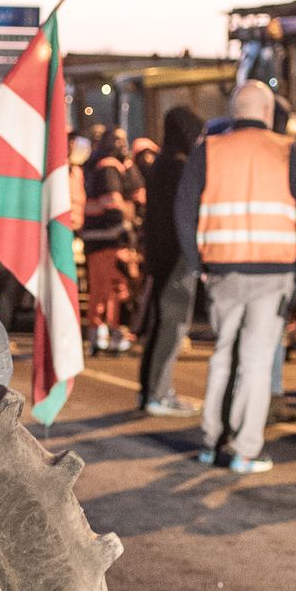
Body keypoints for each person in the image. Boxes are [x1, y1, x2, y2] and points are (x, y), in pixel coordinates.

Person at [172, 80, 296, 473]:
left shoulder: (209, 151)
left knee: (223, 355)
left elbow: (184, 211)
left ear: (234, 111)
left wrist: (197, 263)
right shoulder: (290, 152)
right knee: (256, 362)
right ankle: (245, 449)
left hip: (222, 270)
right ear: (269, 113)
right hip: (274, 273)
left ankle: (210, 440)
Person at [134, 105, 204, 415]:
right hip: (176, 256)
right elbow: (184, 216)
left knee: (161, 323)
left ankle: (152, 391)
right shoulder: (177, 166)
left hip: (161, 255)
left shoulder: (163, 163)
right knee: (171, 325)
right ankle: (158, 394)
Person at [81, 127, 139, 353]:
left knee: (110, 288)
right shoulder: (109, 167)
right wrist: (125, 232)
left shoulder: (104, 165)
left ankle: (105, 333)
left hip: (102, 238)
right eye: (117, 140)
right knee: (110, 287)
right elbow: (112, 203)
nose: (122, 145)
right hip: (108, 238)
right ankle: (103, 332)